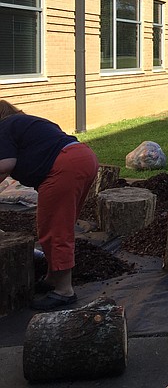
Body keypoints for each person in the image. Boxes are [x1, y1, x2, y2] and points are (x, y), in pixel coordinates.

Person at [0, 100, 99, 311]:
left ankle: (64, 291)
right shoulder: (27, 122)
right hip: (84, 157)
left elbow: (5, 165)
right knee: (60, 224)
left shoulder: (4, 127)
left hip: (64, 167)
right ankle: (53, 278)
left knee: (54, 229)